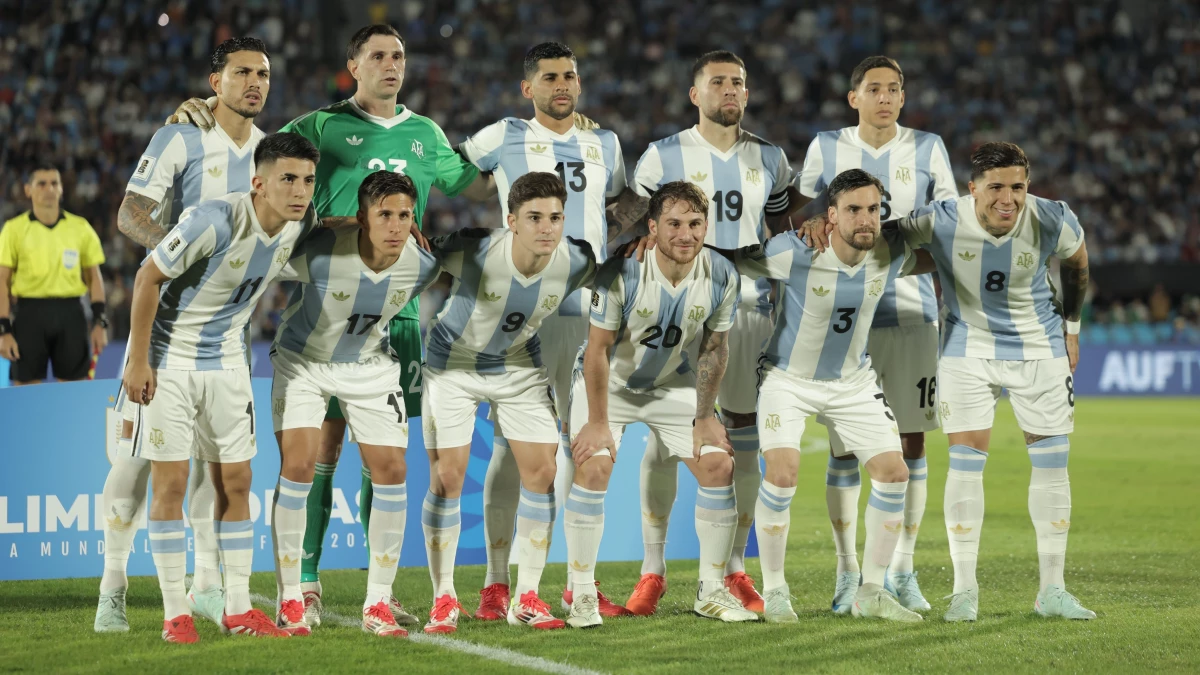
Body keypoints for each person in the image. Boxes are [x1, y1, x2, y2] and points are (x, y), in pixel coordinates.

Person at [169, 24, 493, 626]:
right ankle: (307, 580)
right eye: (378, 56)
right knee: (318, 453)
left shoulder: (427, 134)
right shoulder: (319, 126)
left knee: (385, 460)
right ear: (353, 65)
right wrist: (204, 111)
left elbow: (475, 185)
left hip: (391, 311)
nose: (391, 66)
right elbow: (255, 151)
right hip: (321, 295)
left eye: (398, 56)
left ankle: (380, 588)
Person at [94, 36, 271, 634]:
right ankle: (112, 584)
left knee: (213, 470)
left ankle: (205, 587)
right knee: (136, 465)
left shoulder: (272, 155)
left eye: (263, 74)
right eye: (242, 72)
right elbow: (129, 213)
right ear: (214, 79)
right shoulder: (181, 136)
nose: (254, 83)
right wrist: (184, 246)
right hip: (163, 327)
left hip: (227, 337)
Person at [121, 133, 322, 643]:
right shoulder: (212, 220)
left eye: (307, 180)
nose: (300, 191)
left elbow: (335, 235)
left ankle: (237, 607)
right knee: (168, 486)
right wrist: (139, 361)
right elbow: (147, 278)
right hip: (171, 363)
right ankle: (175, 614)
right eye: (288, 179)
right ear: (258, 183)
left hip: (231, 365)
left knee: (236, 484)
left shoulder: (300, 226)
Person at [879, 142, 1092, 621]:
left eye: (1018, 186)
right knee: (965, 466)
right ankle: (964, 591)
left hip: (1040, 347)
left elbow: (1077, 262)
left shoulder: (1053, 217)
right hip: (967, 348)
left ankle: (1052, 591)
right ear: (972, 188)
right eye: (996, 187)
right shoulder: (940, 218)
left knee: (1053, 466)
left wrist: (1072, 328)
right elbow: (880, 235)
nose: (1008, 198)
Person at [621, 49, 799, 614]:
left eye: (739, 83)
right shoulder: (662, 155)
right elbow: (632, 228)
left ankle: (734, 567)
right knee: (664, 437)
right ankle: (653, 570)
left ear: (747, 94)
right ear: (694, 94)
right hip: (676, 315)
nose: (730, 90)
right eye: (717, 81)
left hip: (748, 311)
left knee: (742, 437)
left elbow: (778, 233)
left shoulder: (771, 159)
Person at [457, 41, 630, 620]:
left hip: (590, 314)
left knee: (587, 446)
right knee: (514, 447)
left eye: (572, 76)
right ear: (528, 87)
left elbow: (620, 204)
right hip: (523, 312)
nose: (564, 85)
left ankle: (579, 581)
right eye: (551, 77)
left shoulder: (604, 142)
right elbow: (458, 174)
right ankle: (497, 581)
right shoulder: (501, 135)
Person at [729, 169, 932, 623]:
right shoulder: (795, 251)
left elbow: (944, 253)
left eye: (874, 210)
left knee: (895, 472)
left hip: (853, 382)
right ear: (831, 215)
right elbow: (733, 259)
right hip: (788, 379)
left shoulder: (888, 252)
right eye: (854, 210)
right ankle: (777, 591)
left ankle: (872, 592)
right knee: (782, 474)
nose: (866, 220)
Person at [794, 56, 958, 613]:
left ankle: (902, 570)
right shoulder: (825, 147)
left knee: (912, 444)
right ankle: (847, 572)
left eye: (894, 89)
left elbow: (949, 223)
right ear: (853, 97)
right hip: (844, 316)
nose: (885, 98)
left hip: (913, 314)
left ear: (903, 97)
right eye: (874, 89)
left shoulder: (929, 148)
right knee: (845, 450)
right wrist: (813, 222)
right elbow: (801, 216)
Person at [567, 181, 755, 628]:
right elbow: (597, 351)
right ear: (651, 227)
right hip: (608, 386)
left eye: (694, 223)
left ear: (706, 226)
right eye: (672, 224)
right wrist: (597, 422)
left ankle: (710, 590)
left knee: (718, 464)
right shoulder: (622, 272)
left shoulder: (722, 274)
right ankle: (581, 594)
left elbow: (713, 348)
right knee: (594, 466)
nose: (685, 234)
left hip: (670, 384)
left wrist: (706, 417)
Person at [419, 172, 597, 634]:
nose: (547, 228)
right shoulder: (474, 248)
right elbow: (412, 251)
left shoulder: (577, 258)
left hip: (518, 366)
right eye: (534, 218)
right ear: (511, 221)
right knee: (447, 477)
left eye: (555, 218)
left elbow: (620, 276)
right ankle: (444, 597)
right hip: (451, 365)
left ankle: (527, 596)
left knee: (542, 471)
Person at [268, 171, 442, 637]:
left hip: (368, 363)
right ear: (363, 217)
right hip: (303, 361)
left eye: (405, 215)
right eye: (384, 214)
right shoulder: (321, 251)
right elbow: (264, 257)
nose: (396, 225)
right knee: (300, 465)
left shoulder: (421, 266)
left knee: (392, 469)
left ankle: (378, 603)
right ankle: (290, 598)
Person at [0, 163, 108, 385]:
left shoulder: (80, 227)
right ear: (28, 190)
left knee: (74, 392)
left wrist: (100, 322)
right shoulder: (13, 229)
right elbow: (2, 280)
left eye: (54, 183)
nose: (49, 188)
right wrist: (3, 330)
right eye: (41, 183)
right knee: (26, 395)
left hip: (71, 314)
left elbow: (94, 278)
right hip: (29, 315)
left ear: (61, 189)